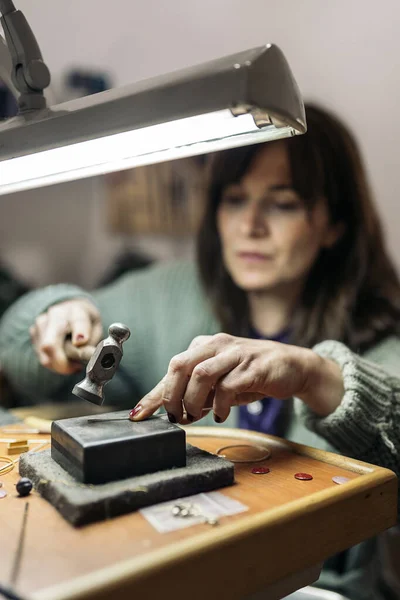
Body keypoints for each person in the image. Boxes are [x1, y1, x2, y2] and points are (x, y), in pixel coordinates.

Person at [0, 104, 400, 599]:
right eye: (234, 199)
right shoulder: (170, 294)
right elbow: (18, 347)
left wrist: (314, 375)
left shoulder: (382, 336)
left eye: (283, 203)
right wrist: (57, 311)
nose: (250, 225)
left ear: (334, 223)